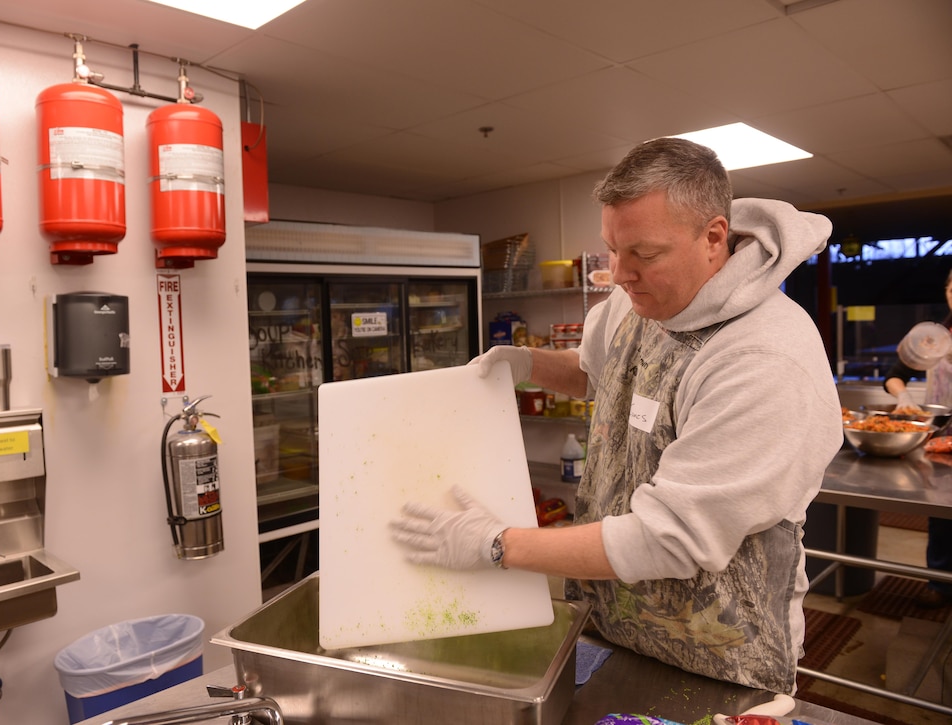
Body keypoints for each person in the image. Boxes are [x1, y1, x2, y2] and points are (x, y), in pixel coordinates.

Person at [389, 137, 843, 695]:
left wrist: (499, 544)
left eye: (644, 255)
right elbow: (597, 372)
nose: (619, 274)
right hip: (607, 626)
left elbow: (671, 538)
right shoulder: (637, 300)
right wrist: (527, 364)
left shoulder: (764, 357)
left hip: (719, 661)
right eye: (611, 249)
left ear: (714, 237)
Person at [883, 269, 952, 609]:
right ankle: (939, 585)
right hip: (940, 434)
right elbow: (895, 376)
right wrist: (903, 398)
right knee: (940, 512)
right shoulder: (933, 336)